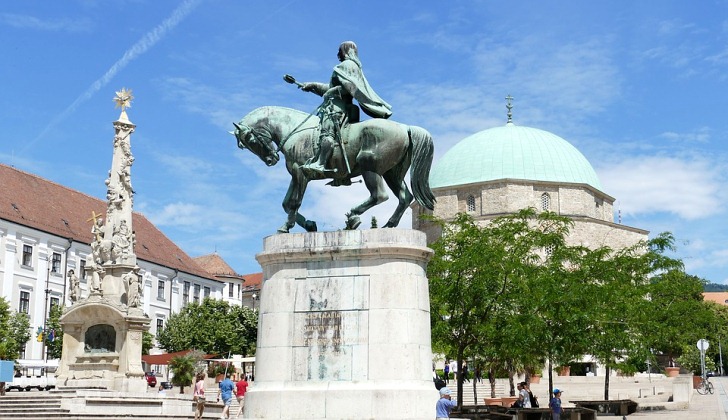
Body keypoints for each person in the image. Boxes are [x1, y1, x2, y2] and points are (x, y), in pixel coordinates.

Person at [299, 41, 392, 178]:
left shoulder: (346, 65)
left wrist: (331, 92)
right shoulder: (351, 66)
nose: (338, 54)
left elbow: (350, 88)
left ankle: (320, 163)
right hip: (343, 106)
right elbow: (333, 87)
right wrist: (313, 85)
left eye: (340, 51)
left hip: (338, 107)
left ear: (346, 51)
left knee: (327, 133)